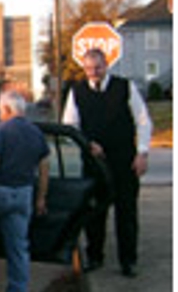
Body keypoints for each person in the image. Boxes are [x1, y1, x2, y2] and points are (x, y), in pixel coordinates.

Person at [62, 48, 152, 278]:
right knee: (94, 212)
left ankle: (128, 261)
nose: (94, 72)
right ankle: (94, 257)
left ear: (106, 65)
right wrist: (87, 143)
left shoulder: (125, 87)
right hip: (94, 162)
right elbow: (70, 126)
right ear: (84, 69)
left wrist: (142, 153)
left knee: (127, 212)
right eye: (89, 68)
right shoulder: (77, 92)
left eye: (98, 67)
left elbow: (143, 121)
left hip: (125, 161)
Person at [0, 91, 50, 292]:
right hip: (24, 194)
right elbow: (44, 169)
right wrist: (41, 198)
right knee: (18, 248)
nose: (0, 114)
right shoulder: (36, 133)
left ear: (7, 110)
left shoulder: (0, 132)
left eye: (1, 110)